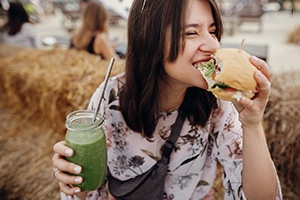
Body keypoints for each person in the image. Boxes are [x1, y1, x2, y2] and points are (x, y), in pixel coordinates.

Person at [52, 0, 283, 199]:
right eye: (191, 32)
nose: (214, 45)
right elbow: (88, 191)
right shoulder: (110, 98)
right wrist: (74, 181)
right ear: (150, 39)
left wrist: (252, 123)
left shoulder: (219, 101)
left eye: (212, 31)